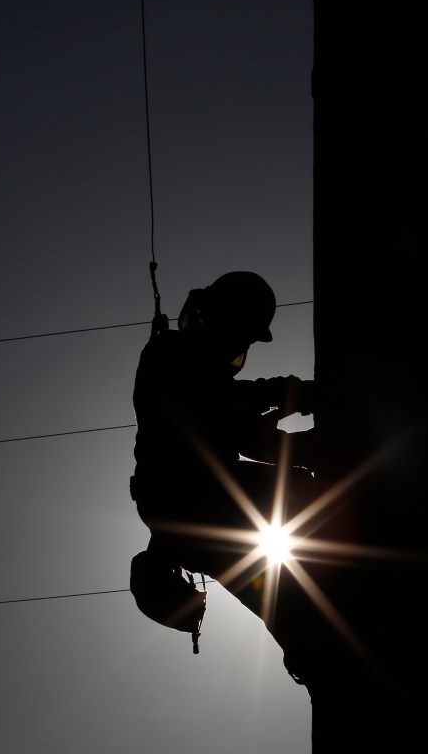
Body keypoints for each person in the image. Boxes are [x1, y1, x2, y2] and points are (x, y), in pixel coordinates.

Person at [128, 270, 323, 662]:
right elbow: (226, 407)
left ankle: (310, 642)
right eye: (241, 334)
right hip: (195, 497)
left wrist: (306, 445)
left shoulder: (198, 378)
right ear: (217, 319)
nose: (240, 345)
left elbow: (245, 434)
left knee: (284, 595)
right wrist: (296, 396)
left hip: (205, 498)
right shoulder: (168, 356)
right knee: (307, 504)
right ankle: (314, 645)